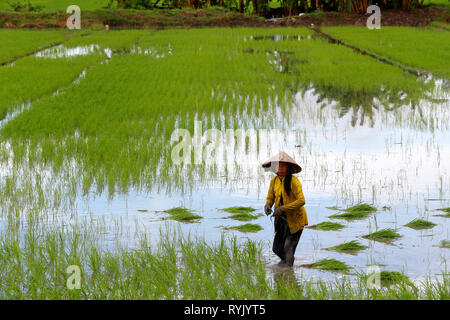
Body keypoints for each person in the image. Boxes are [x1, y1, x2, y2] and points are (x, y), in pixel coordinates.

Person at [262, 151, 308, 267]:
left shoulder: (294, 182)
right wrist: (267, 206)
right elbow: (270, 198)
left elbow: (302, 201)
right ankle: (286, 266)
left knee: (288, 247)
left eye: (283, 166)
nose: (280, 168)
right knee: (276, 248)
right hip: (281, 220)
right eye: (278, 166)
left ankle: (288, 272)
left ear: (288, 168)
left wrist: (283, 208)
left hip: (295, 220)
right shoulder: (274, 181)